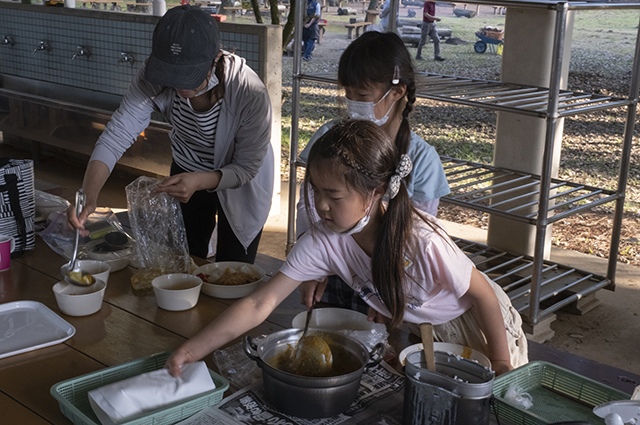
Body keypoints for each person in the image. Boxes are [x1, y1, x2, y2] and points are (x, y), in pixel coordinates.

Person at [164, 120, 528, 378]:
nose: (320, 205)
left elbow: (481, 295)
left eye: (333, 195)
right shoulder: (325, 239)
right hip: (426, 327)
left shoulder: (422, 242)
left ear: (375, 193)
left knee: (491, 400)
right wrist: (193, 349)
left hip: (477, 324)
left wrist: (500, 363)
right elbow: (261, 302)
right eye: (315, 190)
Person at [67, 5, 274, 263]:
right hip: (186, 171)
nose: (179, 85)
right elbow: (116, 134)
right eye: (171, 75)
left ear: (214, 60)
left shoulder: (247, 91)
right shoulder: (152, 76)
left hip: (238, 178)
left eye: (189, 75)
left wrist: (200, 181)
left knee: (233, 268)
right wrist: (89, 193)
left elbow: (245, 167)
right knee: (185, 260)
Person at [296, 31, 450, 313]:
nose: (353, 103)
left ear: (397, 91)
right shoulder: (330, 138)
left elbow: (416, 239)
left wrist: (386, 292)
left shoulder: (422, 159)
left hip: (389, 281)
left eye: (362, 95)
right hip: (330, 269)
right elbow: (308, 206)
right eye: (348, 95)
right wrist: (310, 269)